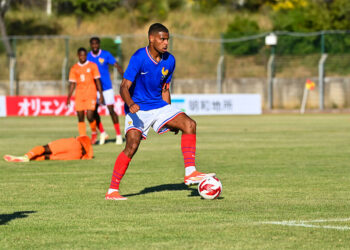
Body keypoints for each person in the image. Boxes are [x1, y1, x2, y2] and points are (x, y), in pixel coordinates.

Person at [105, 23, 215, 201]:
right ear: (151, 39)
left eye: (167, 39)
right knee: (131, 147)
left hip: (159, 106)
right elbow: (124, 86)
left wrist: (171, 116)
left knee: (189, 124)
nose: (165, 43)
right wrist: (131, 103)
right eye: (162, 39)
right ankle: (112, 190)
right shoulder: (139, 57)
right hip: (138, 110)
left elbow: (165, 89)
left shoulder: (170, 60)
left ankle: (190, 172)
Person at [88, 37, 124, 145]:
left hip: (107, 87)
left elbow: (116, 64)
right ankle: (102, 133)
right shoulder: (88, 56)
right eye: (93, 44)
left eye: (96, 44)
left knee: (111, 110)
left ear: (99, 44)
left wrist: (124, 76)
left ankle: (118, 135)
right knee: (93, 112)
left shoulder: (106, 54)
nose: (95, 46)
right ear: (90, 45)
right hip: (94, 88)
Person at [67, 47, 104, 144]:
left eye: (84, 55)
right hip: (79, 95)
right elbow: (72, 84)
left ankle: (93, 132)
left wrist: (101, 94)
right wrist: (68, 97)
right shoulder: (74, 68)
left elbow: (97, 80)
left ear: (86, 56)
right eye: (80, 55)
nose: (82, 57)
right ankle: (83, 137)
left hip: (91, 93)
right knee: (80, 116)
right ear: (78, 56)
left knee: (90, 116)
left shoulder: (92, 66)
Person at [3, 136, 93, 162]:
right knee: (48, 156)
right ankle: (29, 159)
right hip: (78, 156)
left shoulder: (77, 141)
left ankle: (27, 156)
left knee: (46, 148)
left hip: (75, 144)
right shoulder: (84, 153)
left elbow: (83, 138)